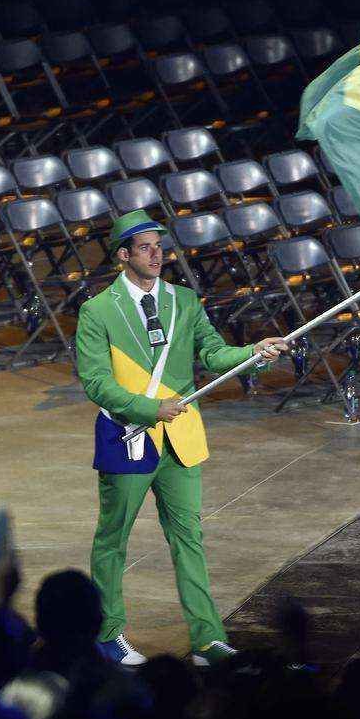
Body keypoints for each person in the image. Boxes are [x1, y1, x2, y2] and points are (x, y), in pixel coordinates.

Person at [75, 210, 288, 667]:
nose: (157, 255)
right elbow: (96, 382)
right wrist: (150, 408)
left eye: (159, 247)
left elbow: (213, 353)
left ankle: (207, 641)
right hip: (128, 436)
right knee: (113, 539)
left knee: (189, 538)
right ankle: (106, 635)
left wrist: (253, 353)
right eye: (146, 247)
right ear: (123, 256)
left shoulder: (185, 301)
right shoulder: (97, 311)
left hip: (181, 439)